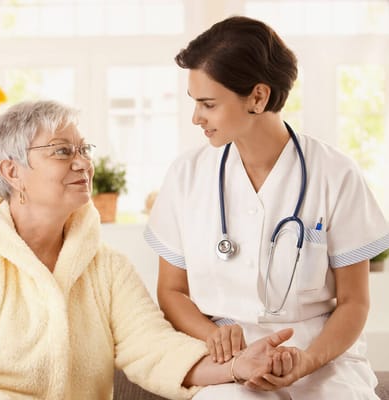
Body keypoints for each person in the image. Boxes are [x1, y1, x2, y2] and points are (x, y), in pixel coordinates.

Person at [0, 100, 297, 400]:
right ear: (12, 172)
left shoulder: (107, 268)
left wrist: (235, 367)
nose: (82, 163)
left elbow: (153, 348)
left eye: (84, 150)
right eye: (62, 151)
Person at [145, 15, 389, 399]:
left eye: (208, 104)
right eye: (195, 103)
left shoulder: (335, 173)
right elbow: (172, 291)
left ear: (258, 97)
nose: (196, 118)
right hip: (230, 360)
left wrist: (307, 361)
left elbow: (355, 301)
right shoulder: (186, 177)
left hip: (320, 357)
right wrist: (217, 338)